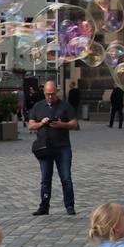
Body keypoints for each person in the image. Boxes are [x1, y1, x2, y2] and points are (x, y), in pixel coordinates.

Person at [28, 79, 79, 216]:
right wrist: (42, 123)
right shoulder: (38, 106)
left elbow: (74, 124)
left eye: (52, 94)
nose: (50, 97)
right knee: (45, 179)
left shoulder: (65, 105)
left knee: (66, 178)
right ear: (44, 92)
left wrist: (62, 124)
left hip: (62, 147)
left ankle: (69, 205)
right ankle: (44, 206)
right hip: (44, 148)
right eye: (47, 94)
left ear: (56, 92)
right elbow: (31, 125)